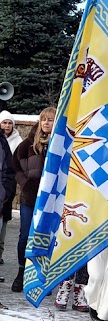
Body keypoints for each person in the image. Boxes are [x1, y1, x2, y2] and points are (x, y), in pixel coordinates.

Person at [11, 106, 55, 293]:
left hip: (50, 201)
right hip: (29, 198)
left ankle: (42, 275)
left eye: (50, 120)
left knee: (45, 237)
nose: (46, 123)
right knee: (25, 236)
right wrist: (25, 183)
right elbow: (14, 165)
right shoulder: (27, 144)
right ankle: (22, 272)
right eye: (44, 119)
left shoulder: (59, 144)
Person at [0, 110, 22, 267]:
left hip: (7, 187)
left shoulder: (18, 142)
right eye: (4, 122)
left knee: (3, 223)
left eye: (9, 123)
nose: (7, 126)